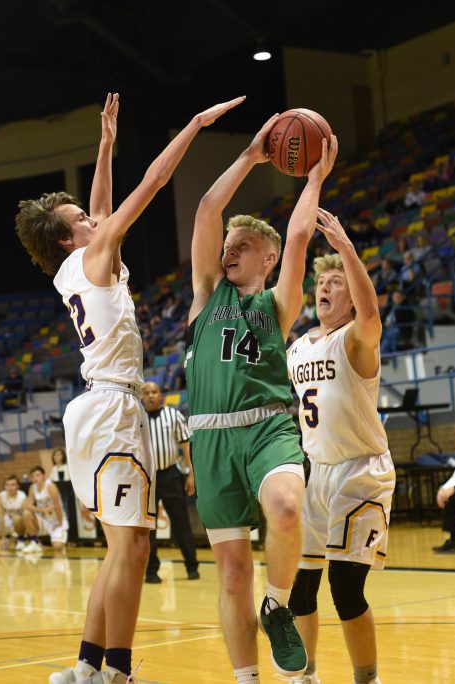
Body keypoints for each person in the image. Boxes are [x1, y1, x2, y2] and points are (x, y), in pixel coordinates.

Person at [16, 93, 243, 684]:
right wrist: (192, 123)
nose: (95, 219)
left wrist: (107, 142)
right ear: (71, 239)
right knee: (132, 549)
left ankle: (88, 668)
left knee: (127, 548)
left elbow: (100, 204)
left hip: (98, 407)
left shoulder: (75, 264)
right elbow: (155, 180)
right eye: (83, 222)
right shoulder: (92, 256)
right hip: (113, 407)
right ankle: (115, 673)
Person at [185, 112, 338, 682]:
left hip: (270, 428)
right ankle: (247, 678)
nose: (230, 250)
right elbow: (205, 208)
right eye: (229, 244)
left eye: (243, 245)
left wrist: (315, 176)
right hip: (211, 437)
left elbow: (299, 235)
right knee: (229, 573)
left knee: (287, 508)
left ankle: (277, 603)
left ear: (266, 259)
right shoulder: (206, 294)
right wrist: (251, 154)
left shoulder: (277, 305)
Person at [285, 210, 394, 684]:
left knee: (345, 587)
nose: (325, 289)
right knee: (301, 586)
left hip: (361, 472)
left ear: (351, 293)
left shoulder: (356, 340)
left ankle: (367, 679)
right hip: (316, 472)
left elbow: (371, 315)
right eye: (321, 282)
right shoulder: (296, 348)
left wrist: (347, 251)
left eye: (336, 282)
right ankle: (305, 676)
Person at [141, 381, 198, 584]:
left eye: (154, 392)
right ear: (142, 396)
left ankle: (192, 566)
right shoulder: (137, 419)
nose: (150, 396)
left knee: (181, 522)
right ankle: (151, 571)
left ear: (161, 395)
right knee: (149, 528)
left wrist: (191, 474)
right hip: (147, 479)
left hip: (171, 475)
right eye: (146, 393)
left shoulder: (173, 415)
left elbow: (186, 445)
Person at [21, 465, 68, 553]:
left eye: (37, 475)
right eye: (33, 476)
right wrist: (43, 510)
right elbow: (29, 505)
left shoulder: (50, 486)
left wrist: (60, 522)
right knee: (26, 514)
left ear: (43, 476)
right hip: (43, 519)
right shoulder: (32, 487)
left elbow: (58, 506)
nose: (35, 478)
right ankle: (36, 543)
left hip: (56, 520)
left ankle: (60, 537)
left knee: (58, 547)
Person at [50, 447, 79, 543]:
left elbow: (68, 481)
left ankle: (70, 536)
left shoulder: (67, 467)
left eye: (59, 455)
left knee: (67, 513)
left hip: (67, 495)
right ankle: (60, 534)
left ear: (63, 456)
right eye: (55, 455)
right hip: (57, 496)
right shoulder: (53, 469)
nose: (57, 457)